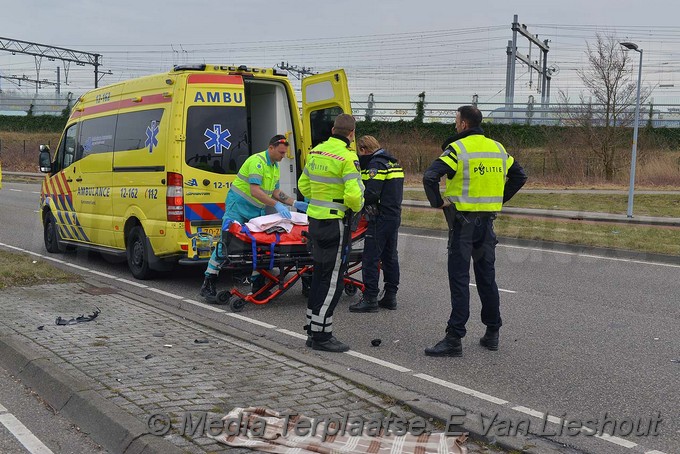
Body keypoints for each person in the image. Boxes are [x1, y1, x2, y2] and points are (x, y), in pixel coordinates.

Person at [422, 105, 527, 357]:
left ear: (464, 125)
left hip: (463, 225)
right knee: (486, 278)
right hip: (487, 225)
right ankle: (492, 333)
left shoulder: (458, 149)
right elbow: (519, 176)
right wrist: (499, 199)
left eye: (456, 121)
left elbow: (430, 176)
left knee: (459, 280)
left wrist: (437, 202)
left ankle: (454, 337)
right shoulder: (498, 148)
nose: (455, 125)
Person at [200, 134, 308, 302]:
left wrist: (295, 203)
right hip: (237, 208)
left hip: (255, 210)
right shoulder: (257, 162)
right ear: (270, 148)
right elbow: (255, 191)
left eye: (284, 153)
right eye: (281, 152)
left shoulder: (274, 166)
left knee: (259, 246)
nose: (283, 156)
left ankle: (257, 285)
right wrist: (277, 205)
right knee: (226, 244)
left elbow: (275, 192)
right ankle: (209, 282)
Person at [298, 114, 364, 352]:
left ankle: (312, 327)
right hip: (336, 223)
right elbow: (355, 195)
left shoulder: (315, 152)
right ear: (351, 133)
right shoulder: (347, 157)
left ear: (333, 129)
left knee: (319, 275)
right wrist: (354, 208)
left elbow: (304, 186)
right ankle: (322, 335)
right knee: (334, 278)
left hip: (315, 220)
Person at [348, 135, 404, 313]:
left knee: (371, 257)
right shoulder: (392, 162)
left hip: (379, 217)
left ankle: (370, 297)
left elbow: (371, 193)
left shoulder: (375, 165)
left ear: (364, 149)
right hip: (393, 216)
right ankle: (390, 296)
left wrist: (354, 201)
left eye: (360, 152)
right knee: (389, 257)